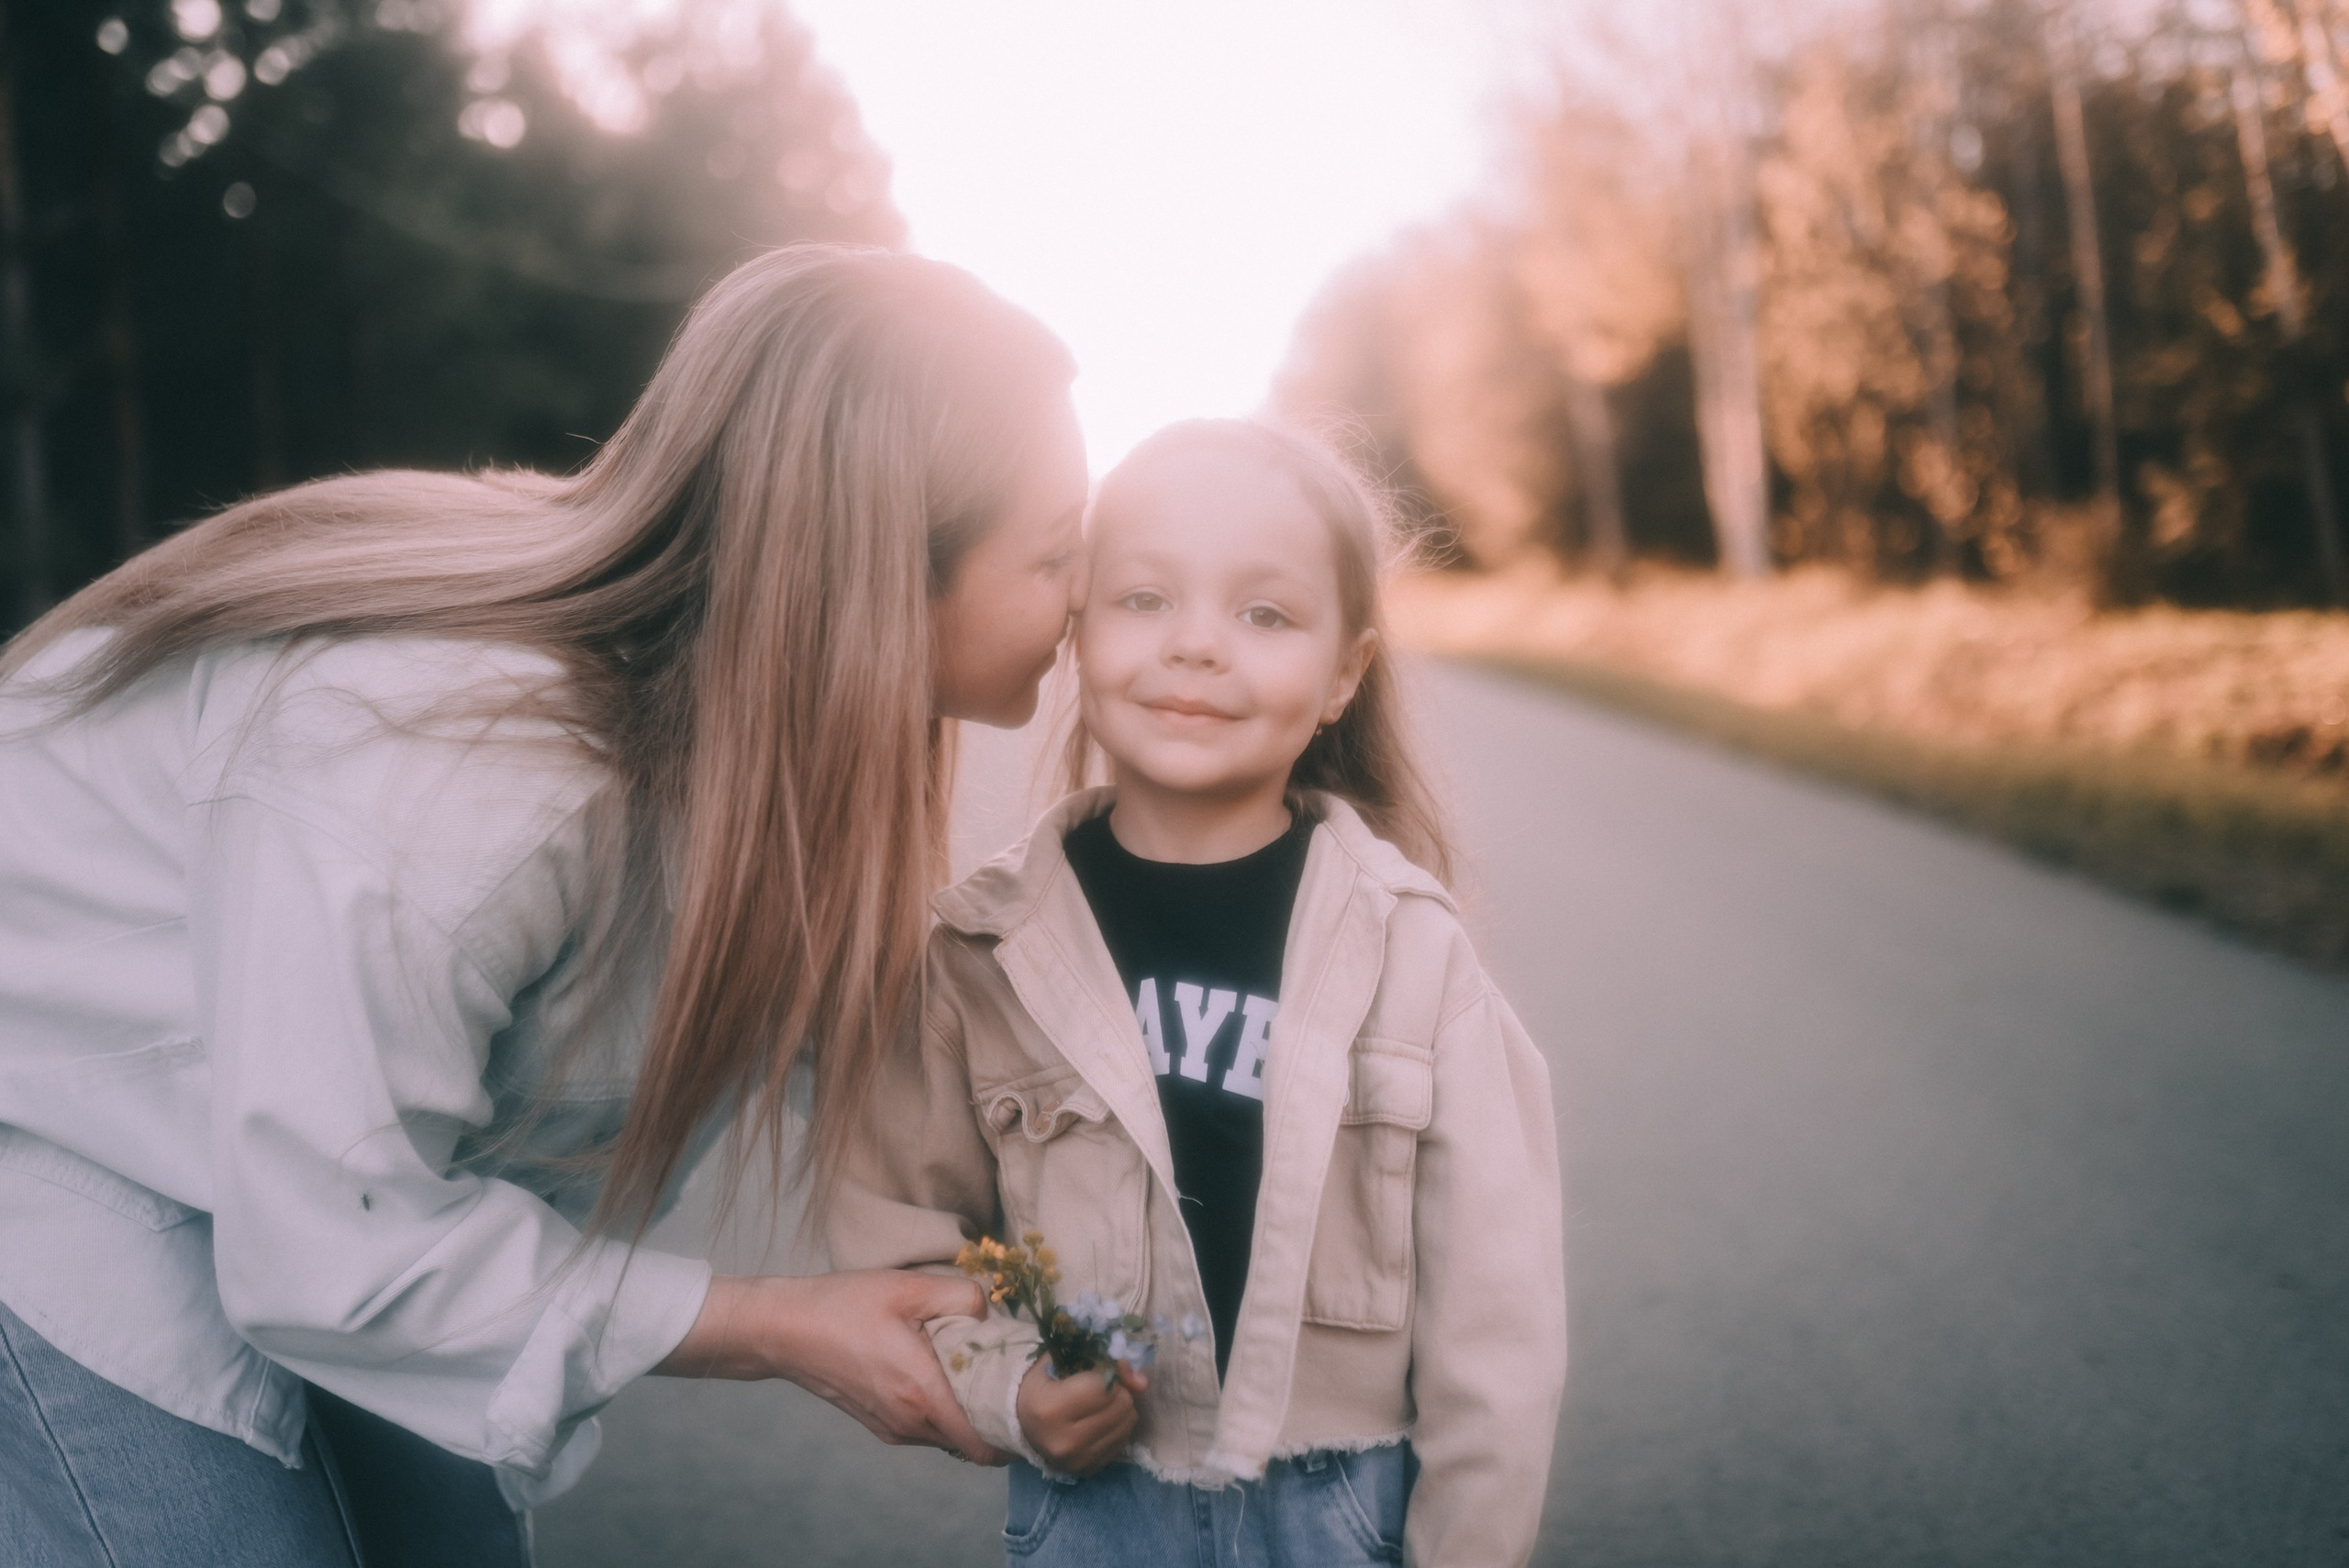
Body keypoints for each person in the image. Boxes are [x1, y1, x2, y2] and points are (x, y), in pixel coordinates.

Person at [0, 245, 1090, 1566]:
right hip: (63, 1140)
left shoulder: (768, 725)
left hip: (326, 1169)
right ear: (883, 577)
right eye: (1056, 557)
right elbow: (328, 1251)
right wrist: (782, 1323)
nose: (1084, 605)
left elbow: (920, 1087)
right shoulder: (458, 766)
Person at [828, 420, 1568, 1566]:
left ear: (1342, 675)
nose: (1196, 646)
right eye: (1143, 599)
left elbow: (1498, 1333)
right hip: (1095, 1512)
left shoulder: (1411, 952)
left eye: (1264, 614)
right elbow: (903, 1242)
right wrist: (1011, 1386)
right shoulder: (981, 955)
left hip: (1345, 1507)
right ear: (1073, 628)